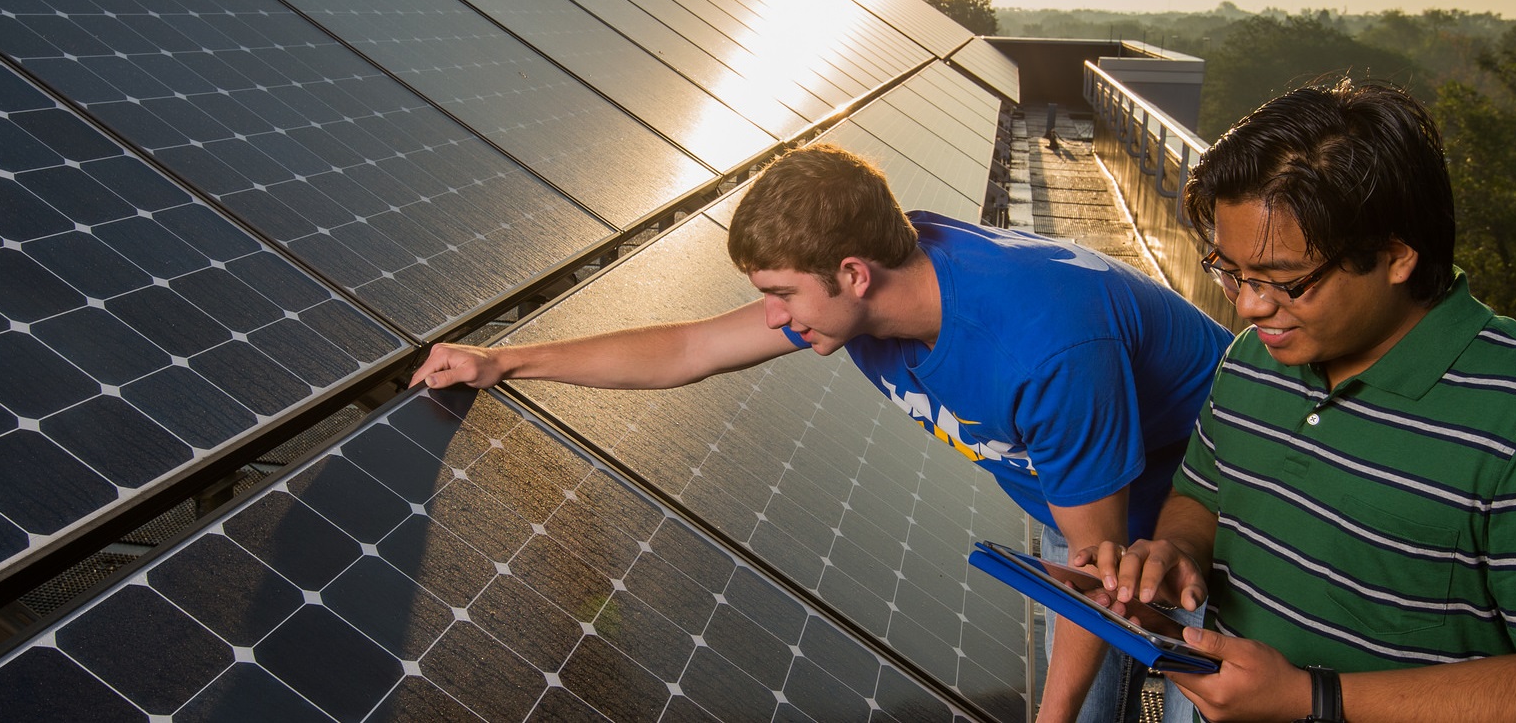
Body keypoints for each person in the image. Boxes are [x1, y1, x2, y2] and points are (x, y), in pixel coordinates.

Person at [409, 143, 1232, 722]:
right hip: (1084, 498)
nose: (773, 318)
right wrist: (504, 359)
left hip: (1213, 497)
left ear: (853, 274)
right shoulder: (865, 285)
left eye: (781, 294)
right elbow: (690, 348)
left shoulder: (1045, 350)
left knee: (1192, 688)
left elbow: (1097, 582)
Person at [1076, 80, 1516, 722]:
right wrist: (1176, 556)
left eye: (1284, 281)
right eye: (1231, 271)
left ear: (1395, 257)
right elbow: (1201, 497)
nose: (1248, 305)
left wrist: (1310, 699)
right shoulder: (1250, 361)